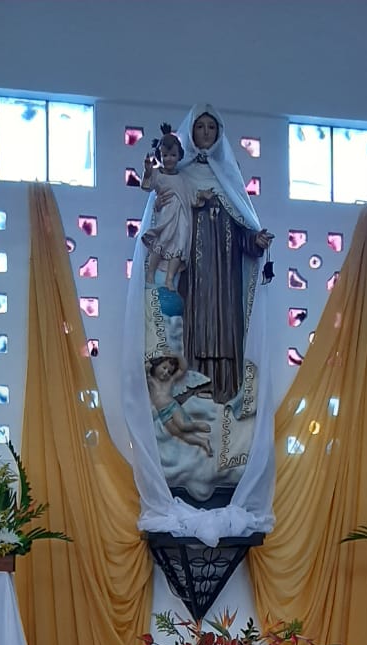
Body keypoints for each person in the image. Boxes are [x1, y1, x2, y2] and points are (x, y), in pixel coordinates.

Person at [164, 104, 274, 404]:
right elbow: (166, 218)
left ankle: (226, 388)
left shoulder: (229, 175)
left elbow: (243, 225)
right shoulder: (181, 175)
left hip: (226, 271)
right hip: (194, 269)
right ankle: (192, 387)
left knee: (225, 327)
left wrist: (256, 240)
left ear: (219, 134)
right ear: (191, 132)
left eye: (211, 128)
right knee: (196, 324)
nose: (206, 133)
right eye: (200, 127)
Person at [140, 125, 193, 289]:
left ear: (179, 156)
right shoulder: (158, 174)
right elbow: (146, 186)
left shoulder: (183, 177)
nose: (169, 159)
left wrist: (200, 198)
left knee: (179, 246)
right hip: (165, 216)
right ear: (159, 156)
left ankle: (170, 278)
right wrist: (148, 172)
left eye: (173, 155)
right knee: (161, 242)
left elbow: (189, 196)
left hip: (181, 218)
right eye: (165, 155)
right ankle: (151, 273)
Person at [145, 354, 213, 456]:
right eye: (164, 368)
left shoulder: (170, 381)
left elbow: (182, 368)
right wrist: (148, 366)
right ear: (157, 365)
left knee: (182, 425)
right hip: (163, 413)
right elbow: (141, 374)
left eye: (169, 372)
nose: (166, 372)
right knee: (179, 433)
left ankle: (196, 425)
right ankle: (203, 441)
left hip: (173, 407)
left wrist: (176, 355)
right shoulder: (151, 381)